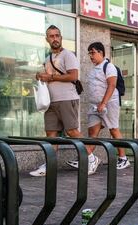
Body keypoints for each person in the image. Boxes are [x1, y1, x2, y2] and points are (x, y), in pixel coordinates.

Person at [30, 25, 100, 176]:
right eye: (51, 36)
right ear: (47, 39)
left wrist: (51, 77)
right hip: (51, 101)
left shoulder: (68, 55)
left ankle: (91, 158)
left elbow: (73, 76)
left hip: (67, 99)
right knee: (51, 134)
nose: (54, 38)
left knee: (72, 131)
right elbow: (49, 78)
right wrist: (41, 76)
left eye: (57, 35)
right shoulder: (47, 59)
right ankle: (50, 164)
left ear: (61, 38)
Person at [67, 42, 130, 170]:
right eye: (89, 53)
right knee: (92, 133)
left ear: (101, 52)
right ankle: (86, 159)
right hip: (95, 106)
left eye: (93, 52)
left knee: (113, 129)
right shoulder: (94, 69)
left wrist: (103, 103)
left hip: (109, 103)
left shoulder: (109, 67)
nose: (91, 56)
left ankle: (123, 159)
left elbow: (112, 85)